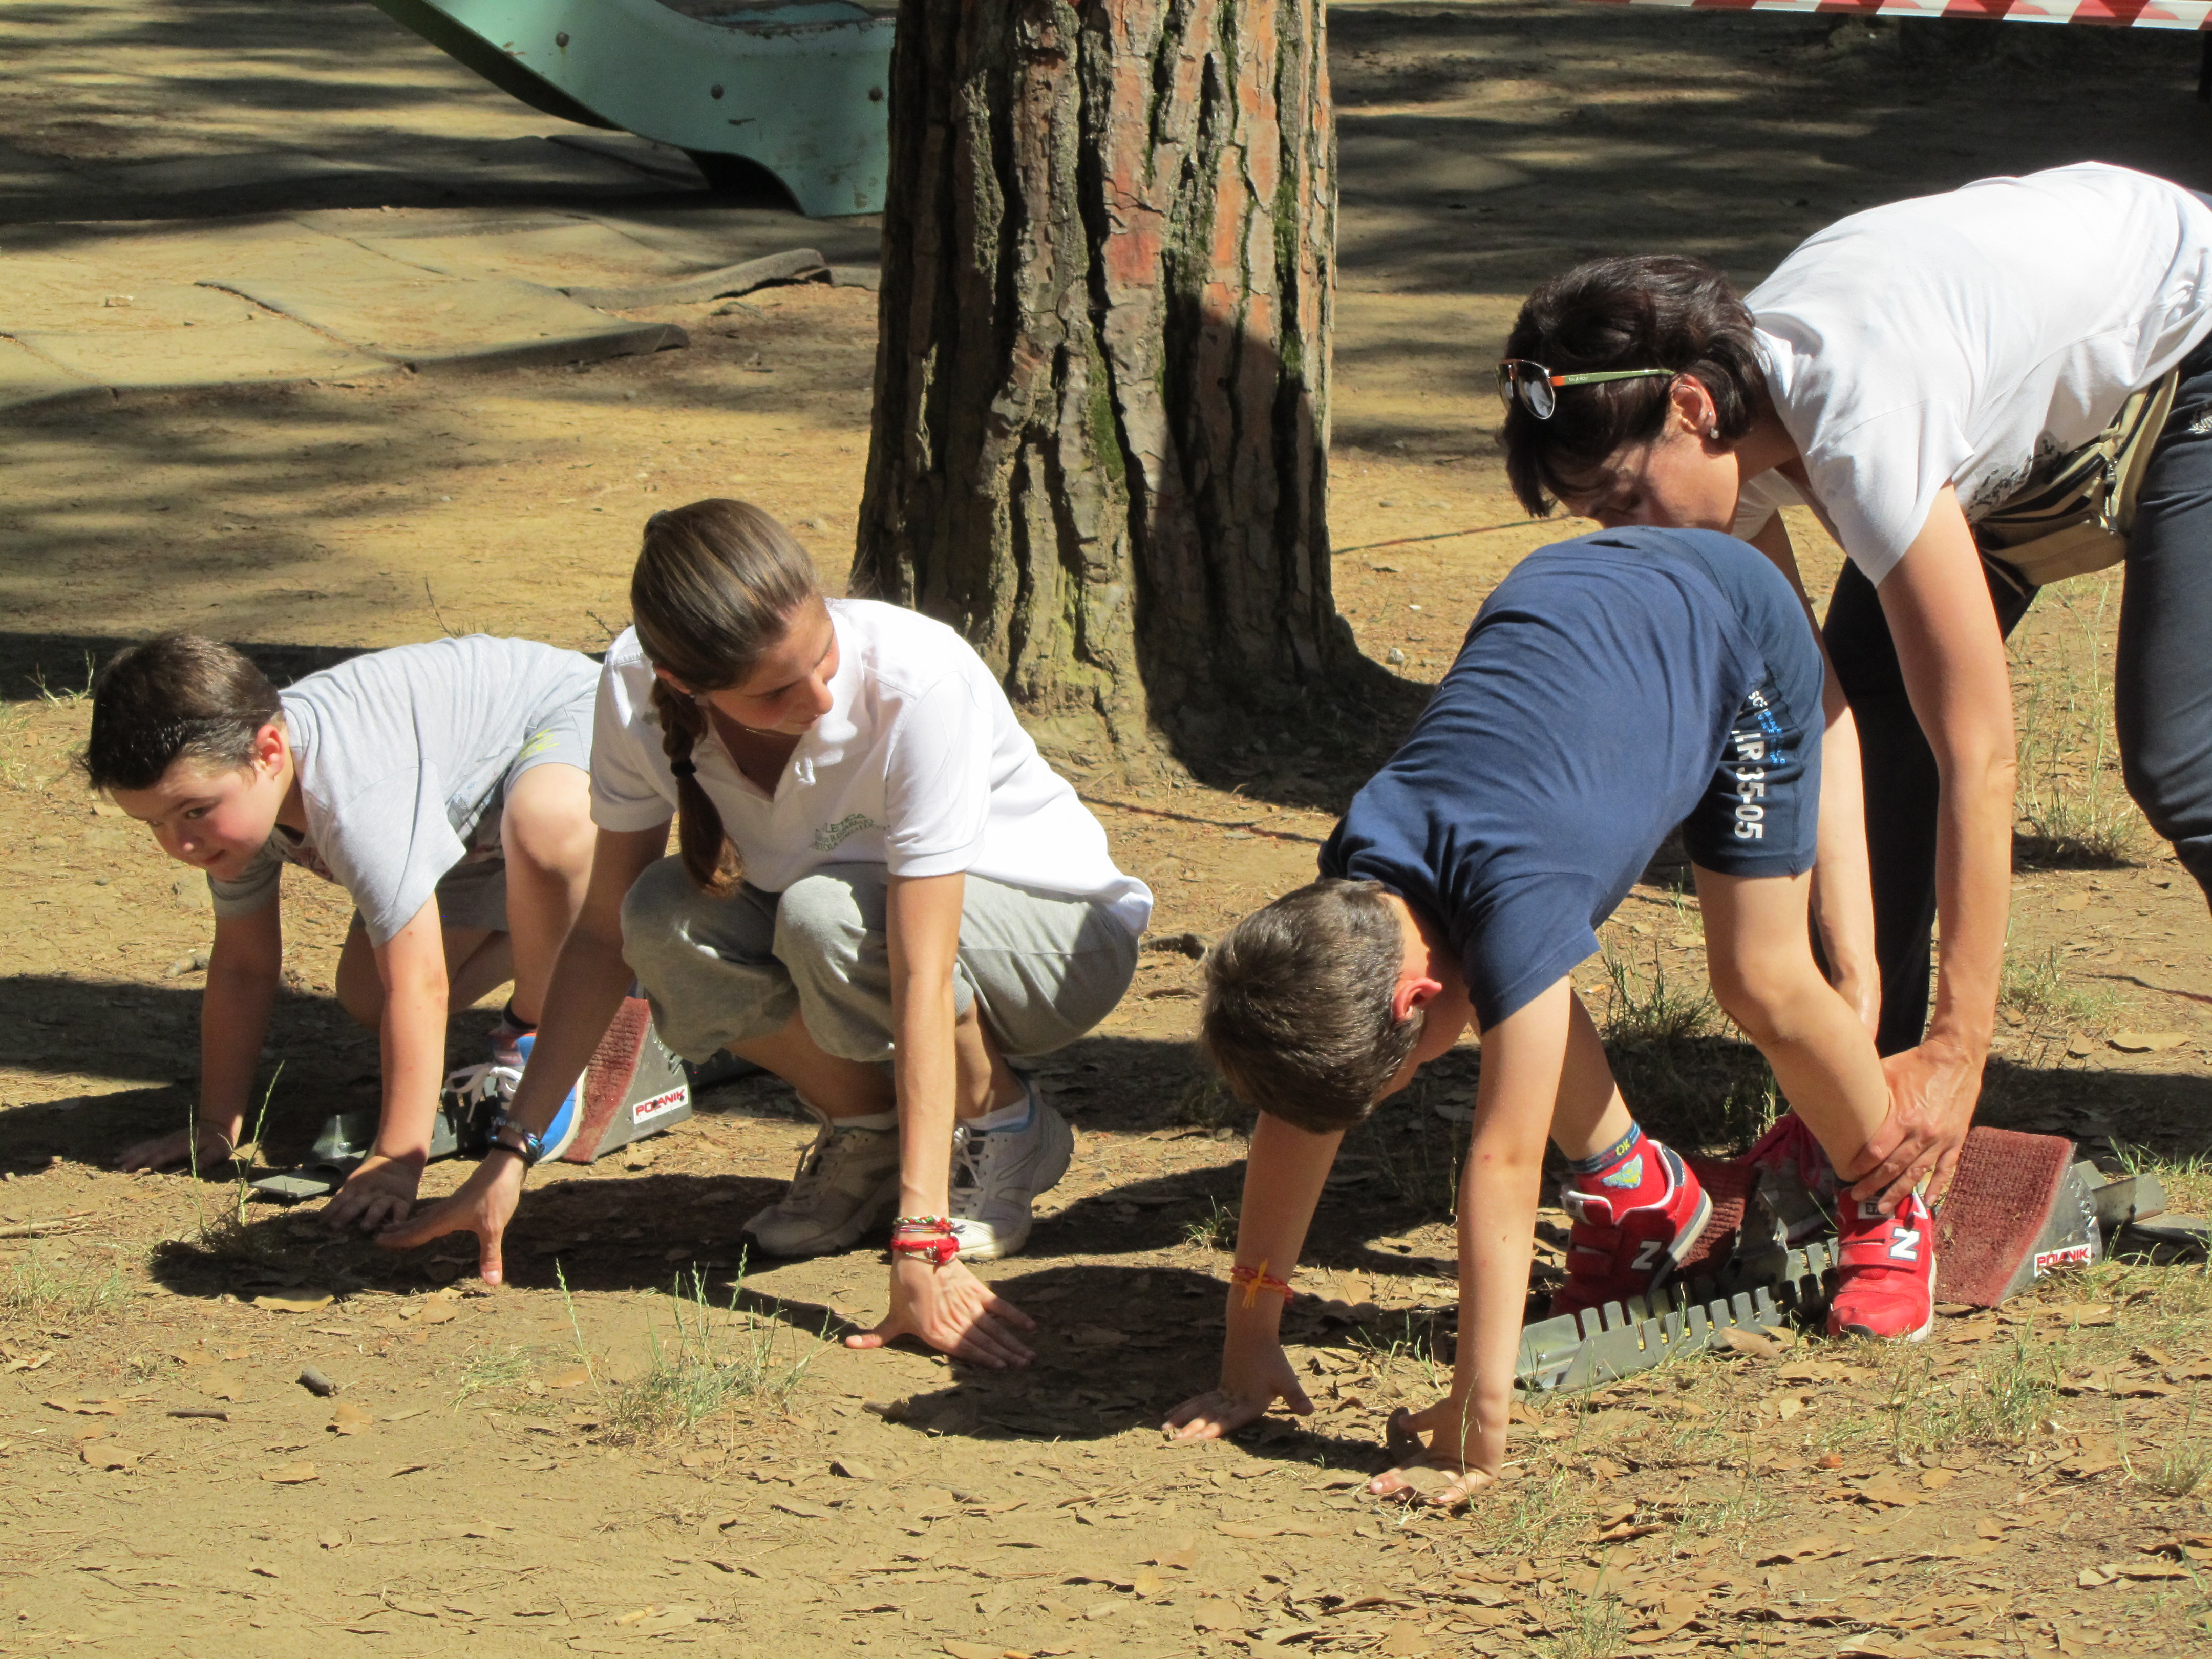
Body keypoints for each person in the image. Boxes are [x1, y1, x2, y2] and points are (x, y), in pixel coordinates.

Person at [1496, 161, 2212, 1213]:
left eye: (1624, 497)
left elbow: (1981, 752)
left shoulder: (1864, 423)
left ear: (1690, 405)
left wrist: (1963, 1050)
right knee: (1882, 727)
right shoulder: (1726, 445)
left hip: (2189, 328)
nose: (1626, 538)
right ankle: (1877, 1120)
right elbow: (1816, 717)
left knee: (2182, 755)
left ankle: (1931, 1078)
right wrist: (1856, 987)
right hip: (1998, 416)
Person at [1165, 524, 1919, 1505]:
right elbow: (1302, 1111)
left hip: (1734, 624)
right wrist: (1249, 1342)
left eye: (1401, 1075)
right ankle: (1644, 1194)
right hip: (1581, 596)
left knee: (1760, 976)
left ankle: (1891, 1195)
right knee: (1515, 988)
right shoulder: (1355, 896)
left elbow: (1506, 1164)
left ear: (1416, 998)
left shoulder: (1511, 901)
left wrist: (1474, 1430)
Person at [382, 499, 1151, 1367]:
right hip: (849, 924)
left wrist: (921, 1239)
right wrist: (511, 1153)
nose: (820, 699)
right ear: (682, 684)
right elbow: (601, 936)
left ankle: (1006, 1123)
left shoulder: (916, 679)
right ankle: (868, 1128)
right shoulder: (633, 689)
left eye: (823, 658)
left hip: (1058, 942)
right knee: (661, 919)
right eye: (776, 692)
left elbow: (922, 973)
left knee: (826, 917)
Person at [85, 631, 600, 1230]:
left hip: (562, 718)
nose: (182, 845)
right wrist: (218, 1124)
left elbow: (421, 986)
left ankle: (537, 1024)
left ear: (269, 752)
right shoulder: (233, 805)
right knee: (370, 997)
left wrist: (395, 1161)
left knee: (545, 828)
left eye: (194, 811)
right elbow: (244, 967)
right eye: (155, 824)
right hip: (463, 808)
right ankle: (596, 943)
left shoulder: (355, 800)